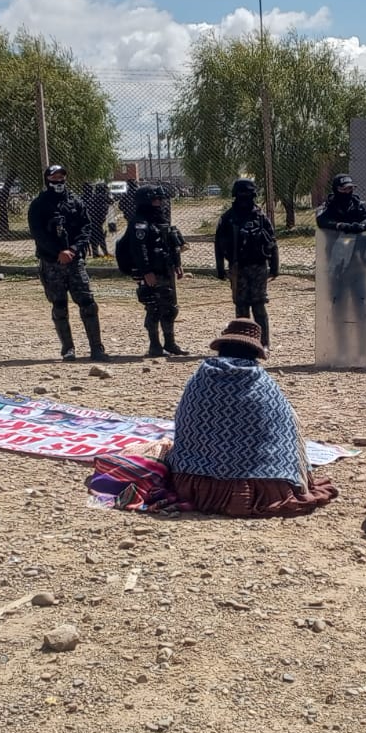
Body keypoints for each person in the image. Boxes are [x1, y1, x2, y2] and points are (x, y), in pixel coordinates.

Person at [164, 318, 338, 518]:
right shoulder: (263, 385)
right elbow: (287, 429)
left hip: (194, 481)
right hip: (265, 482)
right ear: (255, 352)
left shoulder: (200, 379)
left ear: (222, 347)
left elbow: (184, 423)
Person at [29, 163, 108, 362]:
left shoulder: (75, 202)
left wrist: (73, 250)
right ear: (48, 179)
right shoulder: (39, 204)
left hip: (74, 261)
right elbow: (38, 234)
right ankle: (67, 349)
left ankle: (96, 348)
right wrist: (58, 251)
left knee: (88, 303)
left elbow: (86, 228)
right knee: (59, 305)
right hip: (51, 262)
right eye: (54, 178)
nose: (58, 181)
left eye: (61, 177)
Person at [316, 173, 366, 359]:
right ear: (336, 190)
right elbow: (322, 220)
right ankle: (340, 348)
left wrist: (358, 226)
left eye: (351, 188)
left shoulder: (360, 205)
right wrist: (340, 225)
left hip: (358, 263)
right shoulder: (328, 206)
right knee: (338, 305)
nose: (348, 192)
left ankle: (365, 348)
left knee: (362, 304)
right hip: (336, 264)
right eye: (344, 189)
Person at [214, 179, 279, 348]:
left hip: (259, 266)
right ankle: (243, 343)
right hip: (238, 268)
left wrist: (274, 266)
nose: (245, 198)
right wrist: (220, 269)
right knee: (241, 307)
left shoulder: (260, 216)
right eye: (242, 194)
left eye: (248, 195)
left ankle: (263, 343)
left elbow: (272, 242)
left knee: (259, 306)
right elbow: (219, 245)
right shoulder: (228, 218)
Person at [128, 186, 187, 358]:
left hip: (166, 269)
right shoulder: (139, 223)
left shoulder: (161, 220)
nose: (159, 203)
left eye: (160, 200)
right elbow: (139, 250)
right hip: (151, 272)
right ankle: (155, 345)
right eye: (155, 200)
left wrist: (177, 264)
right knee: (154, 308)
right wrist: (146, 271)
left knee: (170, 308)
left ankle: (170, 343)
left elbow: (171, 244)